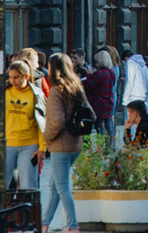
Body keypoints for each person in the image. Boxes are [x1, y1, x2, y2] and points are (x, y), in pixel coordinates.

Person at [42, 52, 94, 233]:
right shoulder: (76, 87)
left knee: (62, 186)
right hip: (75, 143)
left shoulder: (57, 91)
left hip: (60, 145)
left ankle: (72, 226)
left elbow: (57, 121)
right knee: (55, 185)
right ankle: (45, 223)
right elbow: (91, 114)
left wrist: (46, 137)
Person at [0, 60, 47, 190]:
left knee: (28, 187)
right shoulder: (3, 92)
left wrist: (42, 148)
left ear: (25, 76)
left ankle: (26, 210)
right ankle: (4, 210)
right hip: (7, 143)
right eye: (10, 77)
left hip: (29, 145)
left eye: (16, 77)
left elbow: (41, 123)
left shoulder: (36, 94)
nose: (13, 81)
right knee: (0, 188)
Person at [85, 49, 117, 140]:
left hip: (99, 103)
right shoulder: (112, 72)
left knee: (99, 127)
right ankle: (110, 146)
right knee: (108, 126)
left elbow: (90, 85)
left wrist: (89, 75)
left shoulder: (100, 73)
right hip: (109, 102)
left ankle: (102, 146)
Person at [122, 49, 148, 114]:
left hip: (132, 97)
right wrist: (147, 100)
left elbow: (129, 81)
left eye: (124, 61)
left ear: (126, 58)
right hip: (143, 97)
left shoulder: (130, 63)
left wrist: (125, 99)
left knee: (131, 121)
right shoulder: (144, 66)